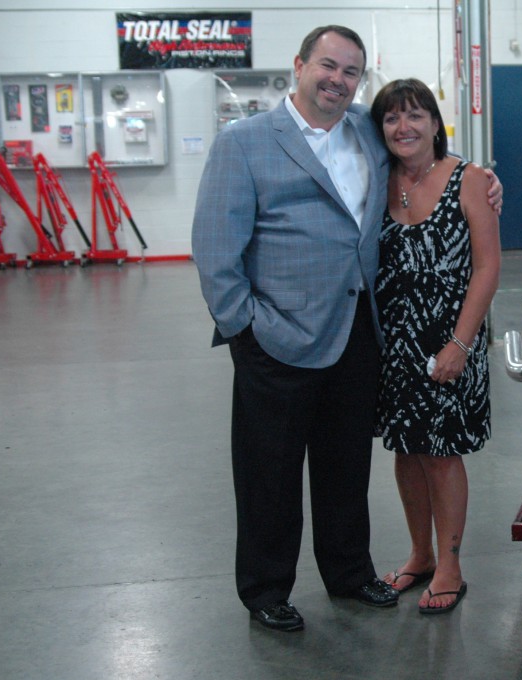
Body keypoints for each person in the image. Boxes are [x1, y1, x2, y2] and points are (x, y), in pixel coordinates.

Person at [191, 27, 501, 632]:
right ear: (300, 64)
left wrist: (486, 177)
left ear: (360, 81)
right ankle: (266, 589)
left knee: (345, 466)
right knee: (269, 472)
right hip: (275, 338)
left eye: (351, 72)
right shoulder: (245, 143)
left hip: (360, 334)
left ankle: (349, 571)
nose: (337, 80)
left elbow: (426, 151)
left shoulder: (367, 130)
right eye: (327, 67)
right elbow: (214, 249)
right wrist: (243, 330)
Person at [371, 79, 501, 614]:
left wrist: (460, 345)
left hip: (450, 338)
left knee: (442, 452)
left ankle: (450, 565)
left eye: (415, 116)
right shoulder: (379, 181)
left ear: (434, 122)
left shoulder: (469, 179)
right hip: (394, 339)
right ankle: (420, 555)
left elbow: (488, 267)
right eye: (392, 119)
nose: (404, 128)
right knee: (406, 448)